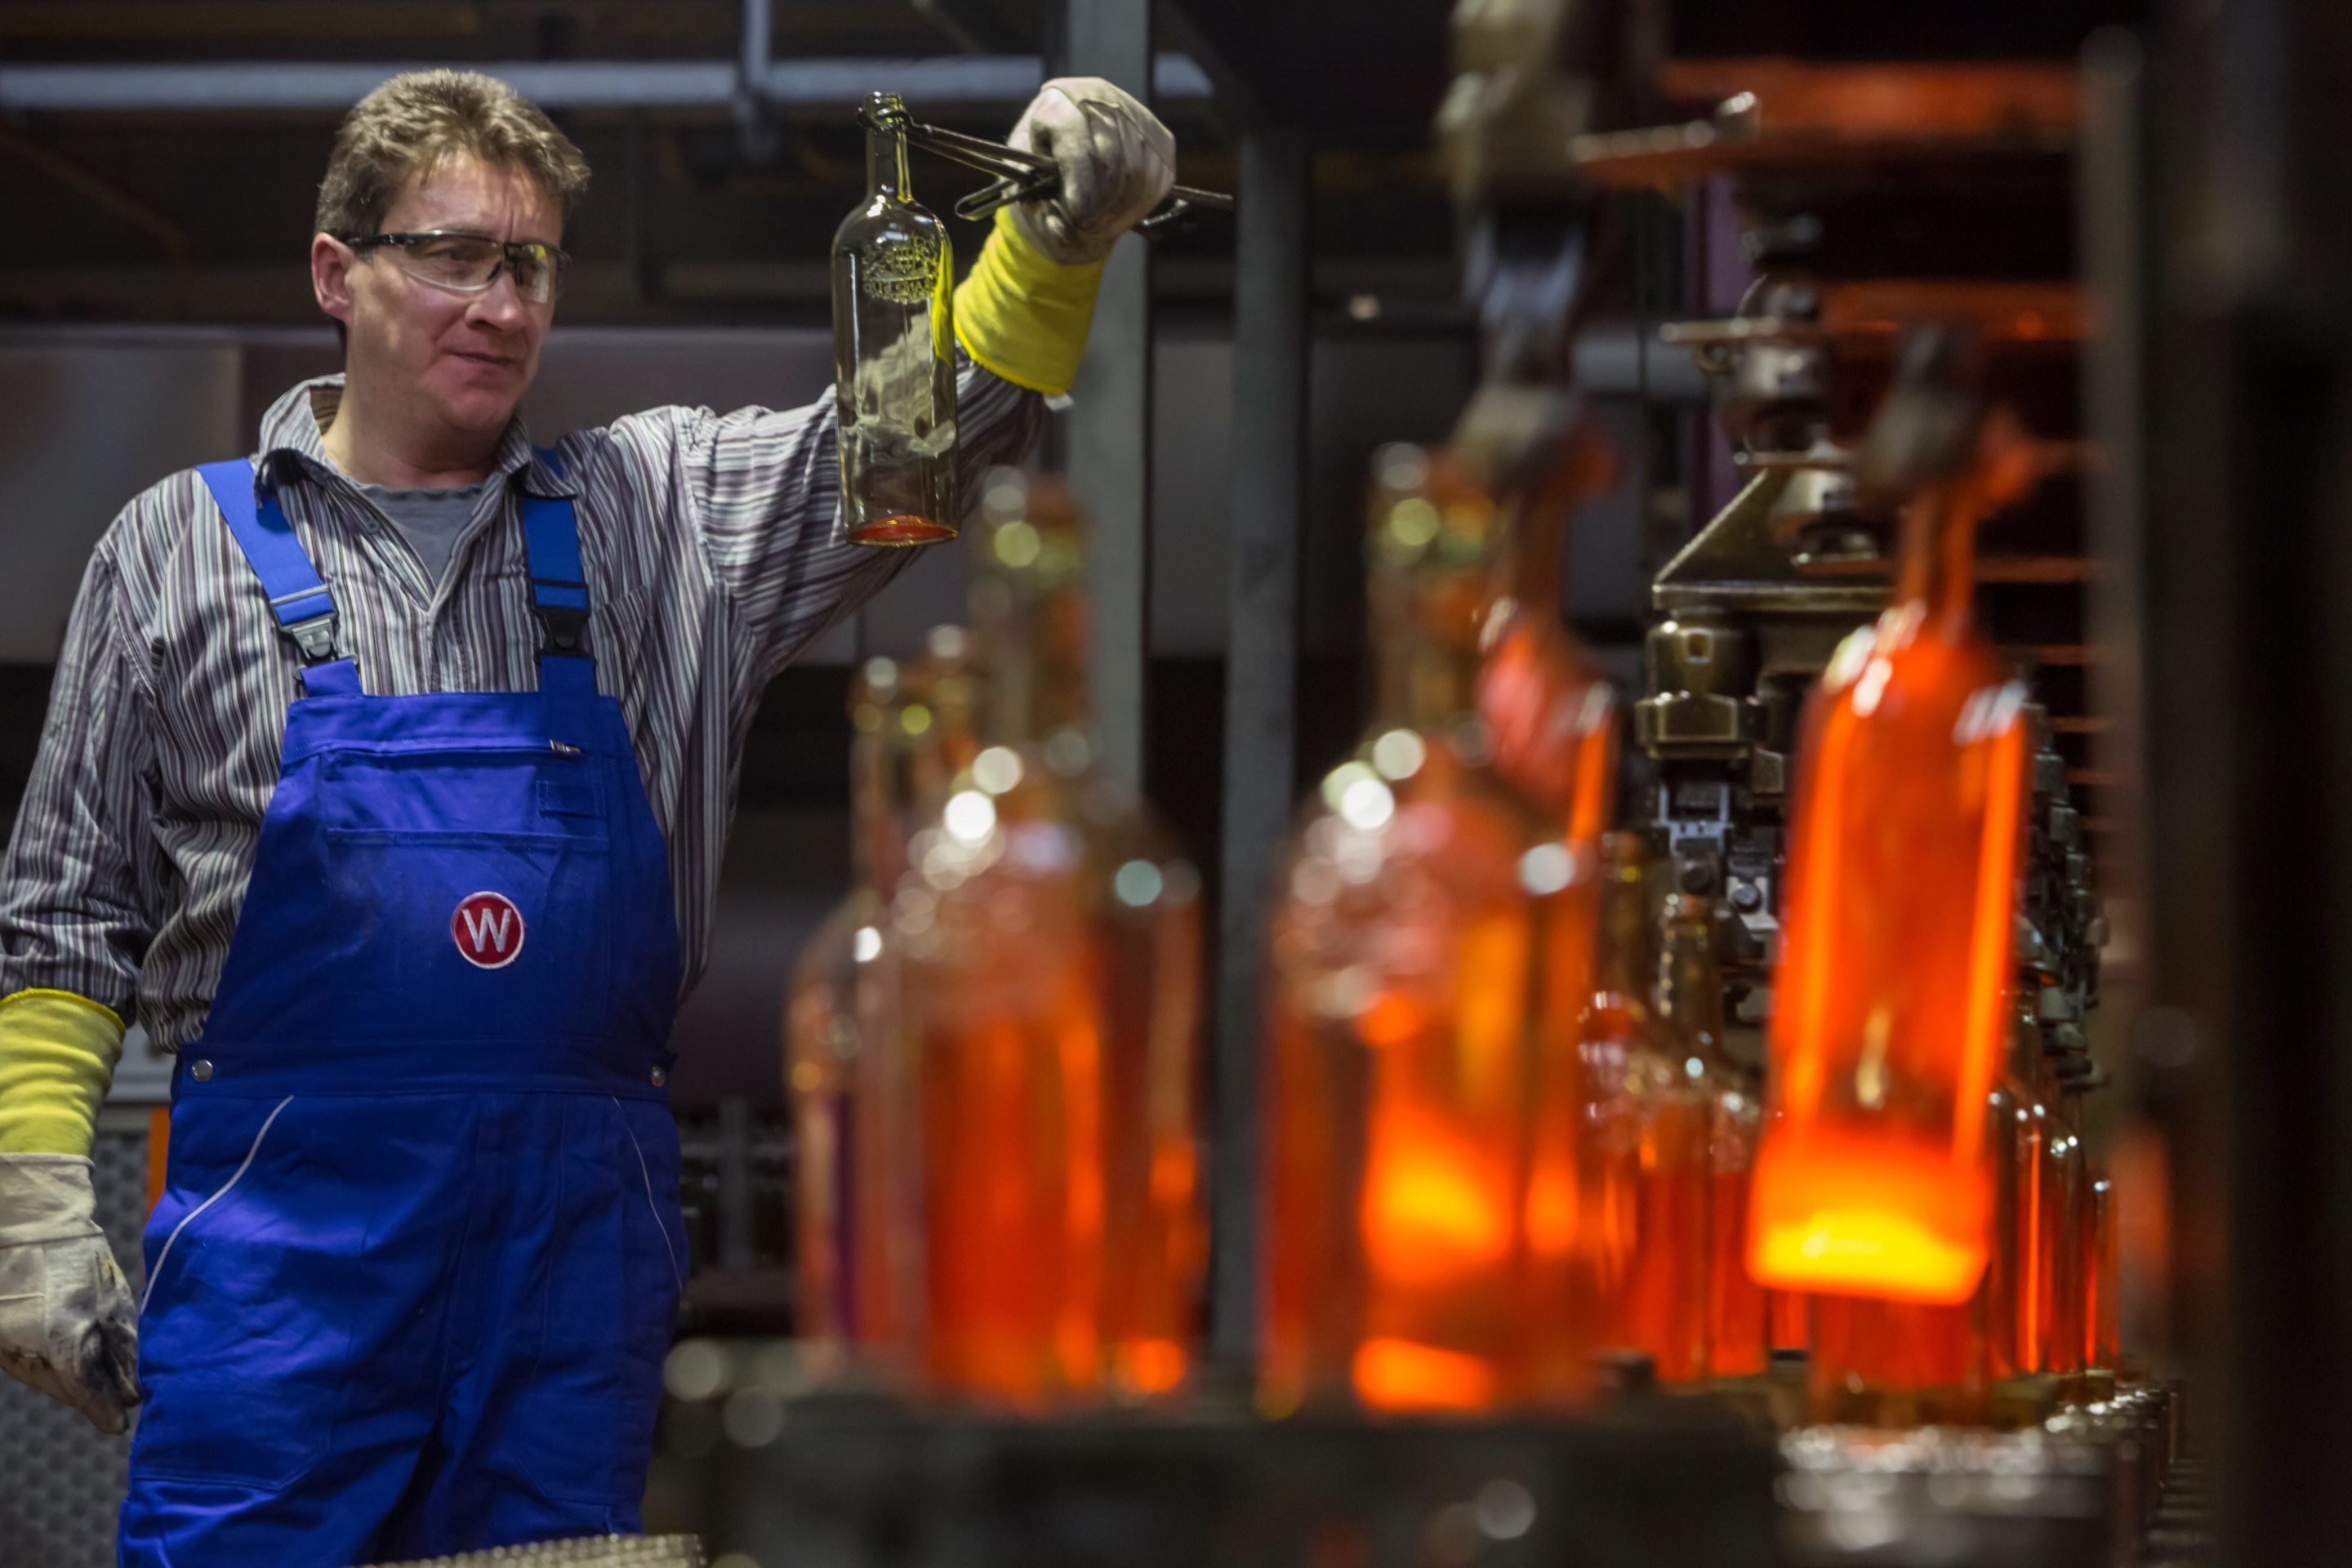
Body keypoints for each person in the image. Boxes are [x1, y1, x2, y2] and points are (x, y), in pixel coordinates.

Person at [0, 68, 1174, 1564]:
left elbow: (902, 454)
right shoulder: (175, 553)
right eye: (452, 254)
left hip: (564, 1284)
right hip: (278, 1289)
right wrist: (33, 1207)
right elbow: (64, 913)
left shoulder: (657, 520)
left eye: (530, 262)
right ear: (336, 272)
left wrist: (1046, 253)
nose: (499, 301)